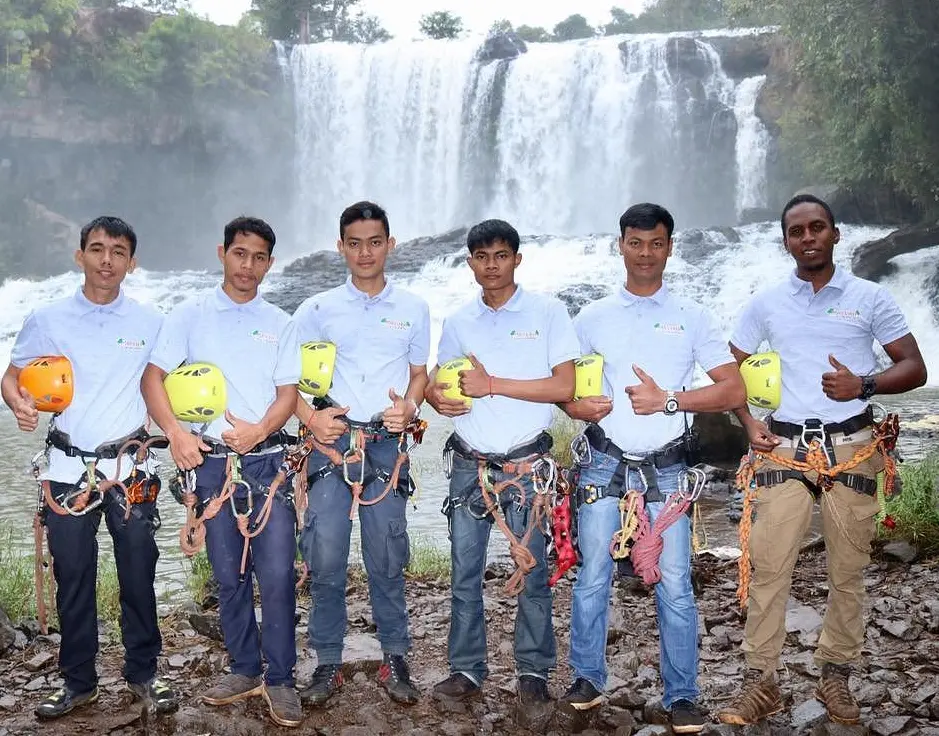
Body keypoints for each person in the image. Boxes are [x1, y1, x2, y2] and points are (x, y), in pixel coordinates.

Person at [717, 194, 927, 726]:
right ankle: (760, 682)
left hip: (853, 449)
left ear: (836, 233)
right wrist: (749, 422)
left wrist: (866, 383)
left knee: (848, 571)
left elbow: (915, 368)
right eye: (796, 231)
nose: (807, 237)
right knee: (767, 569)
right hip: (784, 451)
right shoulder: (765, 303)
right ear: (785, 240)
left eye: (817, 227)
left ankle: (835, 675)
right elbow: (729, 369)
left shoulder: (871, 297)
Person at [557, 203, 745, 734]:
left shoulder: (694, 316)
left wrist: (669, 401)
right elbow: (567, 387)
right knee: (592, 578)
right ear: (620, 245)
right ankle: (588, 680)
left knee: (676, 584)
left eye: (656, 243)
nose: (645, 253)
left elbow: (733, 389)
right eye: (635, 243)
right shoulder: (592, 317)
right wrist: (576, 408)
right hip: (603, 465)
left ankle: (682, 694)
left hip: (668, 470)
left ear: (669, 246)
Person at [1, 216, 178, 719]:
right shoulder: (48, 317)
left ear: (132, 263)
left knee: (139, 573)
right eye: (97, 249)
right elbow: (11, 378)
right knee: (74, 575)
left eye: (118, 251)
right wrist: (19, 404)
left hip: (130, 468)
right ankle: (79, 681)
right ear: (79, 256)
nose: (107, 260)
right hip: (66, 468)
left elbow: (166, 385)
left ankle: (144, 673)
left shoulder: (151, 321)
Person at [141, 216, 302, 728]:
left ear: (269, 263)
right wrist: (176, 434)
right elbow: (153, 379)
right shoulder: (188, 315)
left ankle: (279, 678)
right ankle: (244, 667)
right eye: (239, 254)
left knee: (276, 575)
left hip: (267, 463)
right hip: (209, 466)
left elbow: (287, 396)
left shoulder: (282, 322)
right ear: (222, 253)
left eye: (258, 257)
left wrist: (260, 431)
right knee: (229, 577)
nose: (247, 266)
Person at [424, 219, 579, 729]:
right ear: (469, 262)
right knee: (463, 574)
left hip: (527, 466)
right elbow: (440, 383)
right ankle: (466, 670)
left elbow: (563, 386)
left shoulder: (549, 312)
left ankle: (533, 672)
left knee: (533, 573)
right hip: (470, 464)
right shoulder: (459, 320)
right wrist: (436, 400)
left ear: (517, 258)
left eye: (500, 255)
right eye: (481, 256)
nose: (491, 264)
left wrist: (493, 384)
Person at [291, 201, 429, 707]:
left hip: (388, 444)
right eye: (355, 242)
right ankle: (328, 661)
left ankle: (396, 656)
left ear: (390, 245)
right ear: (341, 246)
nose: (365, 252)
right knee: (324, 550)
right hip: (332, 443)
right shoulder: (317, 309)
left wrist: (411, 405)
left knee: (387, 552)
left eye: (375, 242)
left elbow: (419, 373)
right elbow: (287, 381)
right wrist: (310, 418)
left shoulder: (414, 307)